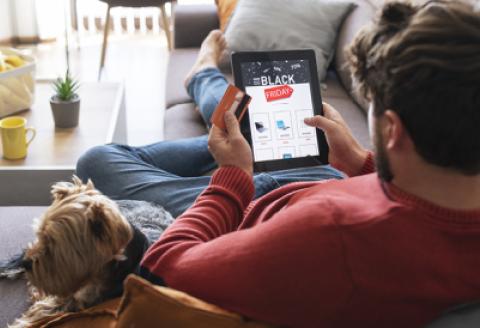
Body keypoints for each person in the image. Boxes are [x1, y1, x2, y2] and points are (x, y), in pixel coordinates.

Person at [76, 1, 480, 327]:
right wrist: (360, 163)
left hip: (256, 205)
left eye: (372, 108)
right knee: (257, 123)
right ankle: (239, 120)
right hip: (326, 180)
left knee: (99, 160)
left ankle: (212, 88)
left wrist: (232, 177)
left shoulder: (332, 233)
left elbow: (162, 272)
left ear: (392, 130)